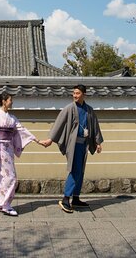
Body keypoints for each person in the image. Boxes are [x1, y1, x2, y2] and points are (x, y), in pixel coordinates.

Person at [40, 84, 103, 213]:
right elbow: (59, 124)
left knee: (80, 171)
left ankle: (75, 198)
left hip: (84, 144)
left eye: (78, 93)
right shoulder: (69, 109)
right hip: (73, 145)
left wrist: (97, 142)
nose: (75, 95)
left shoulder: (89, 110)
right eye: (74, 93)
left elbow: (95, 126)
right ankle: (65, 198)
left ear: (84, 94)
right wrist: (50, 140)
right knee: (74, 170)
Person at [0, 91, 42, 216]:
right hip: (0, 149)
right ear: (4, 101)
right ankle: (6, 205)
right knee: (11, 177)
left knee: (3, 177)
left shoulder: (12, 118)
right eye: (10, 100)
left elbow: (22, 130)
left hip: (8, 150)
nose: (12, 102)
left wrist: (37, 140)